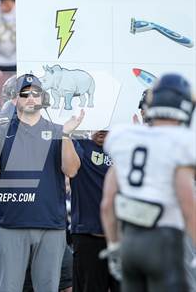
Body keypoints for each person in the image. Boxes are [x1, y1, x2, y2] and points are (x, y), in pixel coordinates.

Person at [0, 73, 81, 292]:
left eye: (36, 93)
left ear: (43, 98)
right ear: (15, 99)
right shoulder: (1, 131)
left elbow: (71, 169)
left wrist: (68, 136)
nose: (31, 97)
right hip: (11, 225)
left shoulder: (58, 132)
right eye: (25, 93)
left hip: (51, 226)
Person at [101, 74, 196, 292]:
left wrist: (114, 245)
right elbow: (188, 203)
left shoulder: (126, 138)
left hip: (131, 241)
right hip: (164, 241)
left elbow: (107, 204)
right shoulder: (180, 142)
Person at [62, 122, 121, 292]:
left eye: (109, 124)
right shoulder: (78, 145)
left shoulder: (127, 149)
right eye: (99, 122)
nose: (102, 129)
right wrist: (66, 134)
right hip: (89, 237)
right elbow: (70, 170)